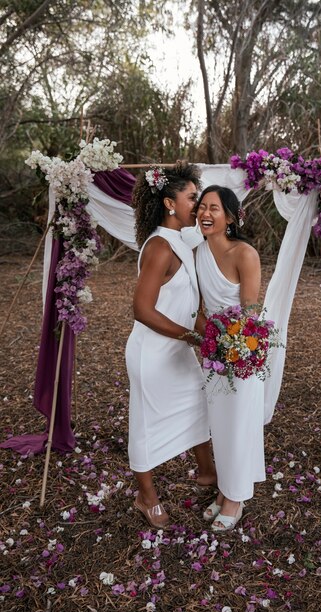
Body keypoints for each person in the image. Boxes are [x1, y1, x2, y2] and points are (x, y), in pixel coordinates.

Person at [126, 162, 216, 529]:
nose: (198, 205)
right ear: (168, 203)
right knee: (146, 424)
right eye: (192, 198)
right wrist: (193, 338)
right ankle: (146, 498)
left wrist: (214, 337)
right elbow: (142, 309)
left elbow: (189, 304)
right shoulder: (161, 247)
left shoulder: (184, 242)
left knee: (198, 405)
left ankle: (207, 473)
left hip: (179, 349)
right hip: (152, 353)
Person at [195, 185, 265, 532]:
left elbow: (252, 313)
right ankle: (224, 491)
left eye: (214, 209)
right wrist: (210, 339)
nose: (205, 214)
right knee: (219, 426)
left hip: (241, 351)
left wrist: (234, 345)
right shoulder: (196, 252)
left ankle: (235, 499)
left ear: (232, 217)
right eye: (202, 207)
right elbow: (197, 307)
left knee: (238, 424)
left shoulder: (245, 254)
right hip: (212, 352)